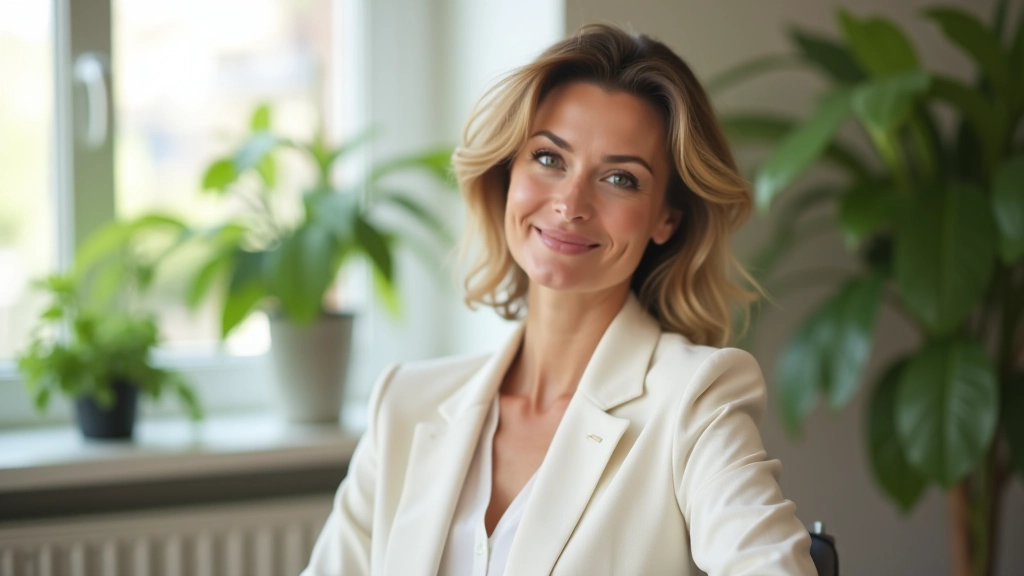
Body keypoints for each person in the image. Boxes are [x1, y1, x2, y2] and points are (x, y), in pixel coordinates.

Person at [302, 23, 817, 576]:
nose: (571, 204)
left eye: (620, 178)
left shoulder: (695, 400)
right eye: (549, 159)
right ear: (508, 172)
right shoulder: (406, 403)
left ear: (667, 217)